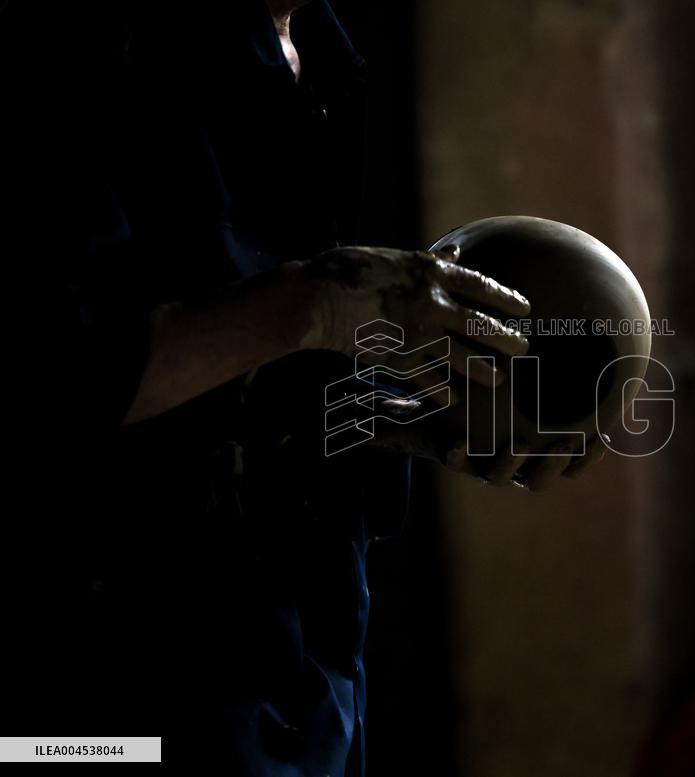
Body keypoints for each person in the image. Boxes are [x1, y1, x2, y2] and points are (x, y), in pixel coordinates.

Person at [0, 0, 605, 773]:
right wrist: (312, 301)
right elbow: (45, 378)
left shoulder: (319, 52)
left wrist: (373, 413)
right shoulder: (86, 58)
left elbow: (233, 381)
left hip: (299, 695)